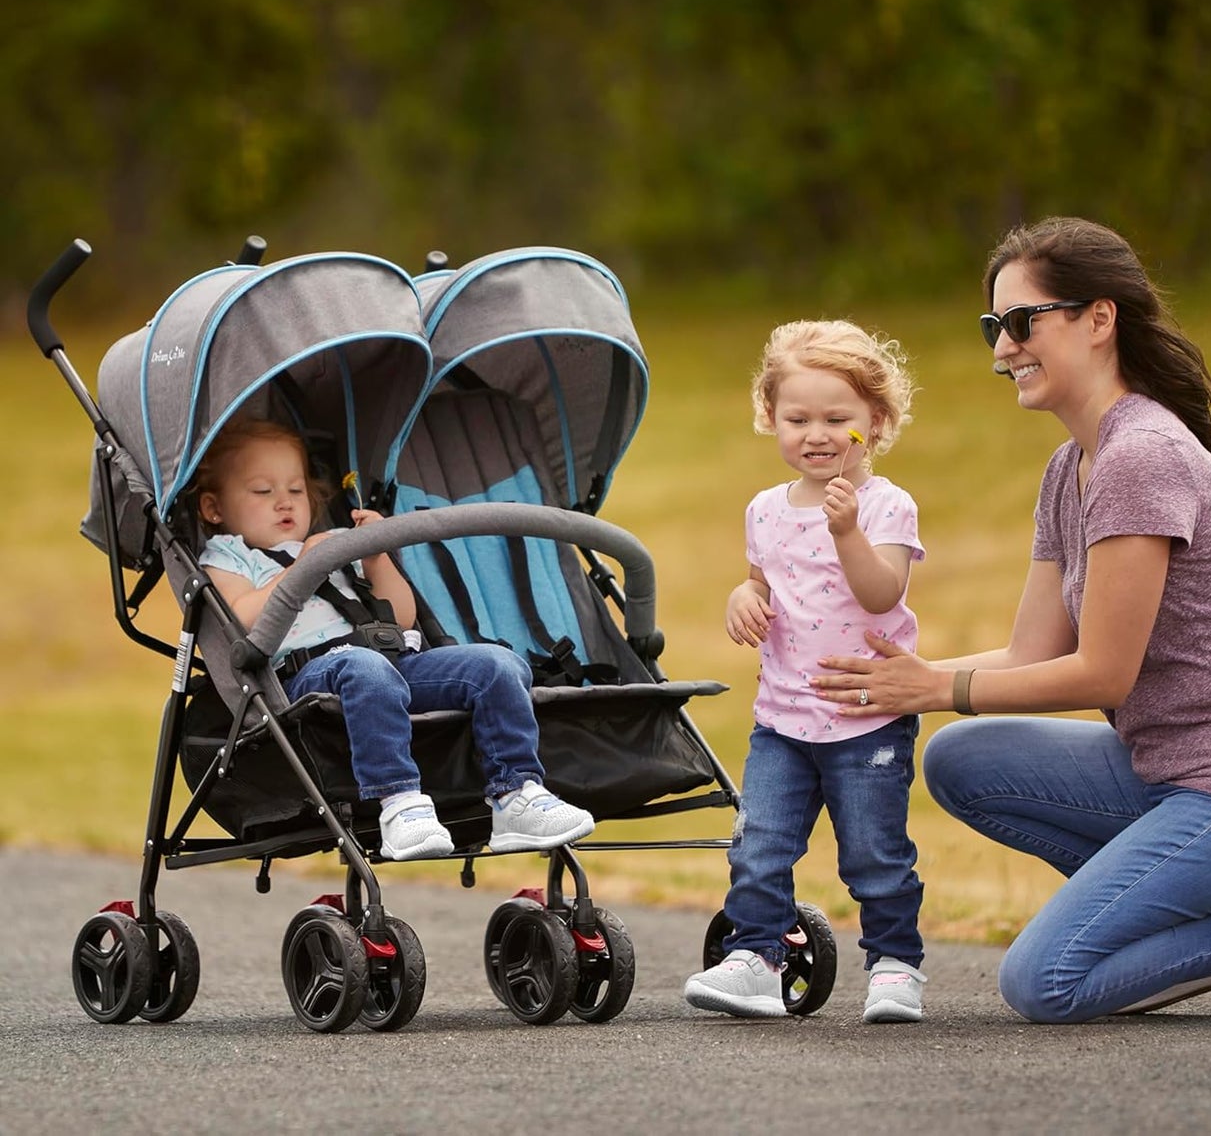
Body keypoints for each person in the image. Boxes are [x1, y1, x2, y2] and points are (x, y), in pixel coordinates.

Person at [811, 217, 1211, 1024]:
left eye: (1021, 322)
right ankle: (1174, 907)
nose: (1002, 347)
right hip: (1167, 769)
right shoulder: (1067, 466)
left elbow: (1101, 673)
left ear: (1098, 319)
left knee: (1044, 983)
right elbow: (1031, 651)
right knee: (964, 757)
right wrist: (891, 684)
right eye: (992, 327)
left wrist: (935, 683)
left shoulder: (1139, 455)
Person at [195, 417, 595, 861]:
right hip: (311, 674)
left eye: (295, 489)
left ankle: (515, 793)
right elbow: (242, 618)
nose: (284, 503)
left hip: (392, 658)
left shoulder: (334, 541)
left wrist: (376, 555)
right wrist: (303, 567)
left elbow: (403, 617)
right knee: (364, 669)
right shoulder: (229, 556)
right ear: (215, 508)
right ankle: (400, 804)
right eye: (262, 491)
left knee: (497, 665)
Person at [683, 320, 928, 1023]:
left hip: (864, 716)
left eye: (837, 418)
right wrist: (743, 597)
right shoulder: (764, 508)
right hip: (783, 718)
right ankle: (755, 959)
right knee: (759, 843)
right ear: (771, 418)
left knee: (875, 855)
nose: (816, 434)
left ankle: (894, 964)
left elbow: (881, 592)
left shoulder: (884, 505)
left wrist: (845, 529)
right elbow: (762, 580)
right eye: (796, 418)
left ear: (875, 423)